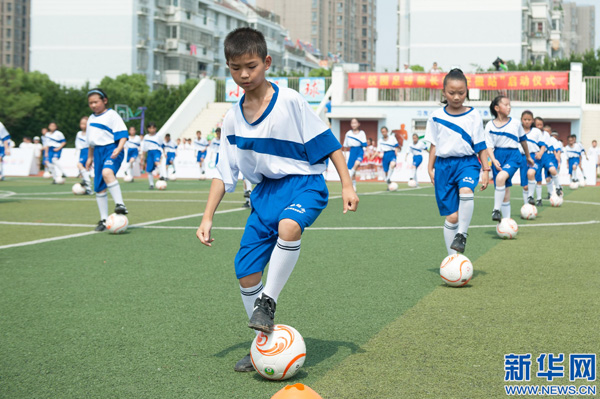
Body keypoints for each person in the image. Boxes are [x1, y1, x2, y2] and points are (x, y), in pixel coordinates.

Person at [195, 27, 359, 373]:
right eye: (236, 68)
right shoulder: (231, 119)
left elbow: (328, 143)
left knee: (289, 226)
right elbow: (223, 174)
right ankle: (264, 345)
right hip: (264, 194)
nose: (244, 75)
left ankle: (268, 302)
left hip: (304, 184)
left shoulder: (290, 101)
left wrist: (347, 185)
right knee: (245, 272)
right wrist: (207, 216)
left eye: (251, 66)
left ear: (266, 62)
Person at [425, 68, 490, 254]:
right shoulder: (436, 116)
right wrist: (430, 169)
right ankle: (452, 258)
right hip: (443, 167)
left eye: (461, 93)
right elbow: (434, 145)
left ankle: (462, 234)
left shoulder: (473, 115)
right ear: (444, 92)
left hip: (467, 163)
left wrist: (486, 170)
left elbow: (480, 144)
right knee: (452, 217)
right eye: (452, 93)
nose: (456, 97)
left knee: (466, 189)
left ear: (467, 91)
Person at [85, 88, 129, 231]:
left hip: (112, 148)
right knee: (99, 187)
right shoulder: (91, 119)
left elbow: (123, 134)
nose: (93, 105)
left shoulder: (112, 115)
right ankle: (104, 220)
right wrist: (90, 157)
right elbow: (91, 142)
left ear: (104, 100)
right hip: (97, 151)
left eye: (96, 102)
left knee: (107, 173)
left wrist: (119, 148)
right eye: (90, 103)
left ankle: (120, 204)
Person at [485, 96, 533, 221]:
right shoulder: (489, 125)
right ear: (496, 108)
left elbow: (523, 142)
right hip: (498, 156)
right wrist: (493, 159)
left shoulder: (516, 123)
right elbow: (489, 146)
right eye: (505, 105)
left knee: (501, 177)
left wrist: (528, 156)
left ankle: (496, 210)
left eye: (509, 105)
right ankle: (506, 222)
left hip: (513, 155)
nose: (509, 107)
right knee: (504, 191)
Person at [342, 118, 367, 191]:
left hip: (359, 150)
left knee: (356, 164)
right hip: (352, 151)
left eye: (355, 123)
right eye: (352, 123)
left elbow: (365, 144)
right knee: (352, 169)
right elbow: (345, 146)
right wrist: (344, 155)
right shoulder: (348, 133)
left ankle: (349, 175)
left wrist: (367, 152)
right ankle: (353, 185)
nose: (353, 124)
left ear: (358, 124)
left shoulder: (362, 133)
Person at [140, 122, 166, 189]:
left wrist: (163, 153)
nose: (152, 130)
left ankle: (162, 176)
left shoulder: (158, 136)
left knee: (157, 162)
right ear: (148, 129)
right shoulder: (146, 137)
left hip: (156, 151)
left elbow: (162, 145)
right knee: (149, 170)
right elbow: (144, 148)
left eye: (153, 128)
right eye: (150, 128)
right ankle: (151, 184)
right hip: (150, 152)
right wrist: (143, 155)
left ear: (155, 128)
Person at [75, 116, 93, 195]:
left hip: (87, 151)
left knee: (79, 165)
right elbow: (77, 144)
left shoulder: (90, 133)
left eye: (84, 124)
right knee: (83, 169)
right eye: (81, 123)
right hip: (82, 152)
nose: (82, 125)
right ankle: (88, 189)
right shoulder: (79, 133)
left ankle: (88, 182)